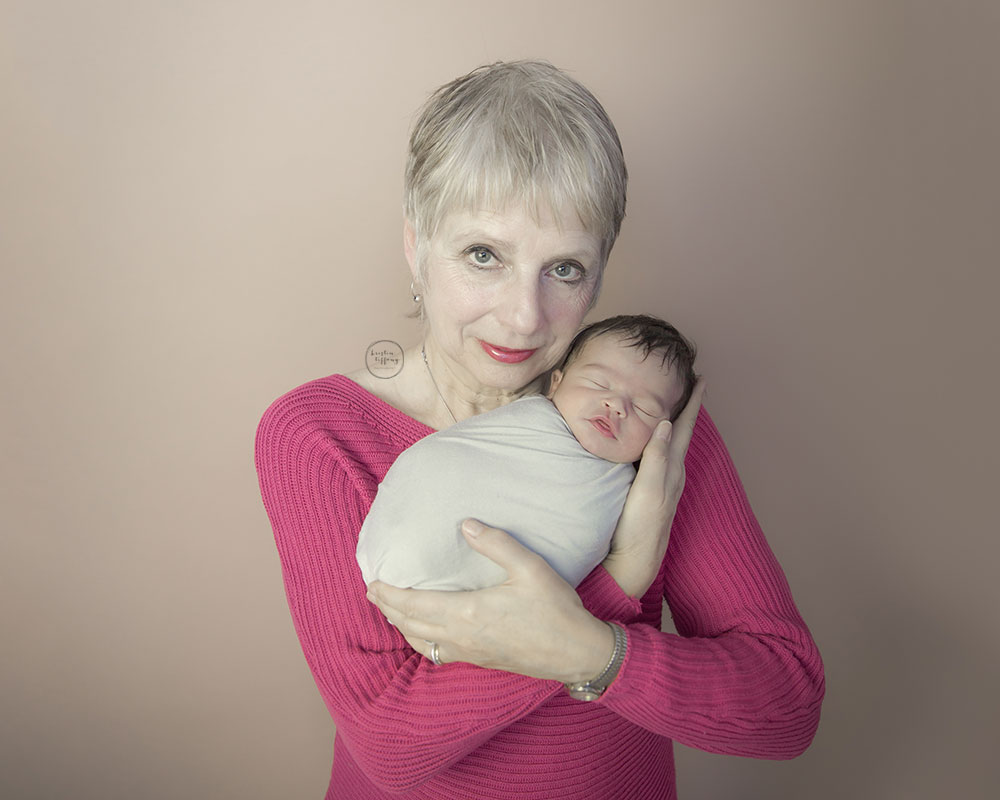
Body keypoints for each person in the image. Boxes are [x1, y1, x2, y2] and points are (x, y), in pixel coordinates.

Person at [255, 60, 824, 799]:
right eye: (483, 255)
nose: (524, 317)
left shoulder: (639, 422)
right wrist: (614, 590)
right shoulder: (319, 436)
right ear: (415, 244)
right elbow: (389, 745)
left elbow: (786, 708)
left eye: (563, 269)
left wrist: (595, 653)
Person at [356, 314, 698, 592]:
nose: (617, 405)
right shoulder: (527, 421)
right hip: (405, 552)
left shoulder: (646, 487)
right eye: (599, 383)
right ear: (556, 383)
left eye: (645, 408)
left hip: (509, 613)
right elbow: (449, 467)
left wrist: (632, 560)